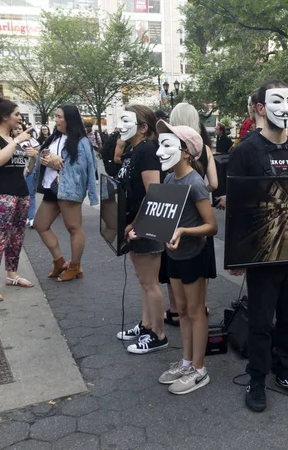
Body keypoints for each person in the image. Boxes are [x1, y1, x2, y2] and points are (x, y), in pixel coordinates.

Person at [228, 80, 288, 412]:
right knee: (261, 321)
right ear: (261, 108)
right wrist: (237, 254)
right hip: (263, 255)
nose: (286, 107)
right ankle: (256, 378)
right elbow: (236, 207)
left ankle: (285, 372)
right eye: (277, 101)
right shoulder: (245, 152)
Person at [152, 121, 217, 394]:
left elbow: (212, 226)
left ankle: (200, 369)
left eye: (167, 145)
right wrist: (135, 227)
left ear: (187, 152)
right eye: (160, 144)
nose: (159, 151)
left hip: (194, 255)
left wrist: (183, 230)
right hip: (174, 254)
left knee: (196, 311)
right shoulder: (169, 179)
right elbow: (158, 212)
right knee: (182, 311)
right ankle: (187, 362)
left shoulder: (194, 184)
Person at [115, 105, 169, 354]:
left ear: (143, 127)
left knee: (150, 282)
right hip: (135, 223)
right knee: (143, 281)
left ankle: (158, 334)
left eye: (126, 121)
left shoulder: (147, 150)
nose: (120, 126)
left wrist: (133, 224)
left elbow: (153, 193)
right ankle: (147, 324)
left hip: (147, 224)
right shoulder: (134, 150)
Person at [166, 103, 218, 325]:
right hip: (197, 220)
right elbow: (214, 183)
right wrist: (201, 196)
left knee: (177, 265)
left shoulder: (169, 152)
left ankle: (177, 310)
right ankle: (199, 306)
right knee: (199, 270)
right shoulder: (205, 149)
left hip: (178, 222)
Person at [0, 97, 37, 302]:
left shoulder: (15, 139)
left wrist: (31, 158)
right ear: (5, 117)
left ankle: (12, 274)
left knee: (16, 237)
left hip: (20, 192)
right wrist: (16, 141)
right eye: (16, 114)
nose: (19, 118)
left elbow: (24, 173)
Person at [33, 105, 98, 282]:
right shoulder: (55, 137)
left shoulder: (81, 142)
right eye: (55, 116)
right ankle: (60, 261)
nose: (56, 119)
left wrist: (58, 163)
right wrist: (45, 156)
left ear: (69, 119)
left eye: (59, 116)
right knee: (40, 224)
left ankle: (75, 266)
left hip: (70, 190)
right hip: (52, 188)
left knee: (73, 228)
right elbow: (45, 155)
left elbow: (85, 169)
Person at [12, 123, 40, 228]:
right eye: (15, 129)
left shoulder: (30, 140)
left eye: (20, 129)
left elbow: (39, 150)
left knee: (30, 194)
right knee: (17, 196)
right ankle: (20, 217)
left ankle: (31, 218)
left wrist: (33, 153)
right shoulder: (10, 141)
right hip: (15, 173)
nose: (18, 131)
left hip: (29, 170)